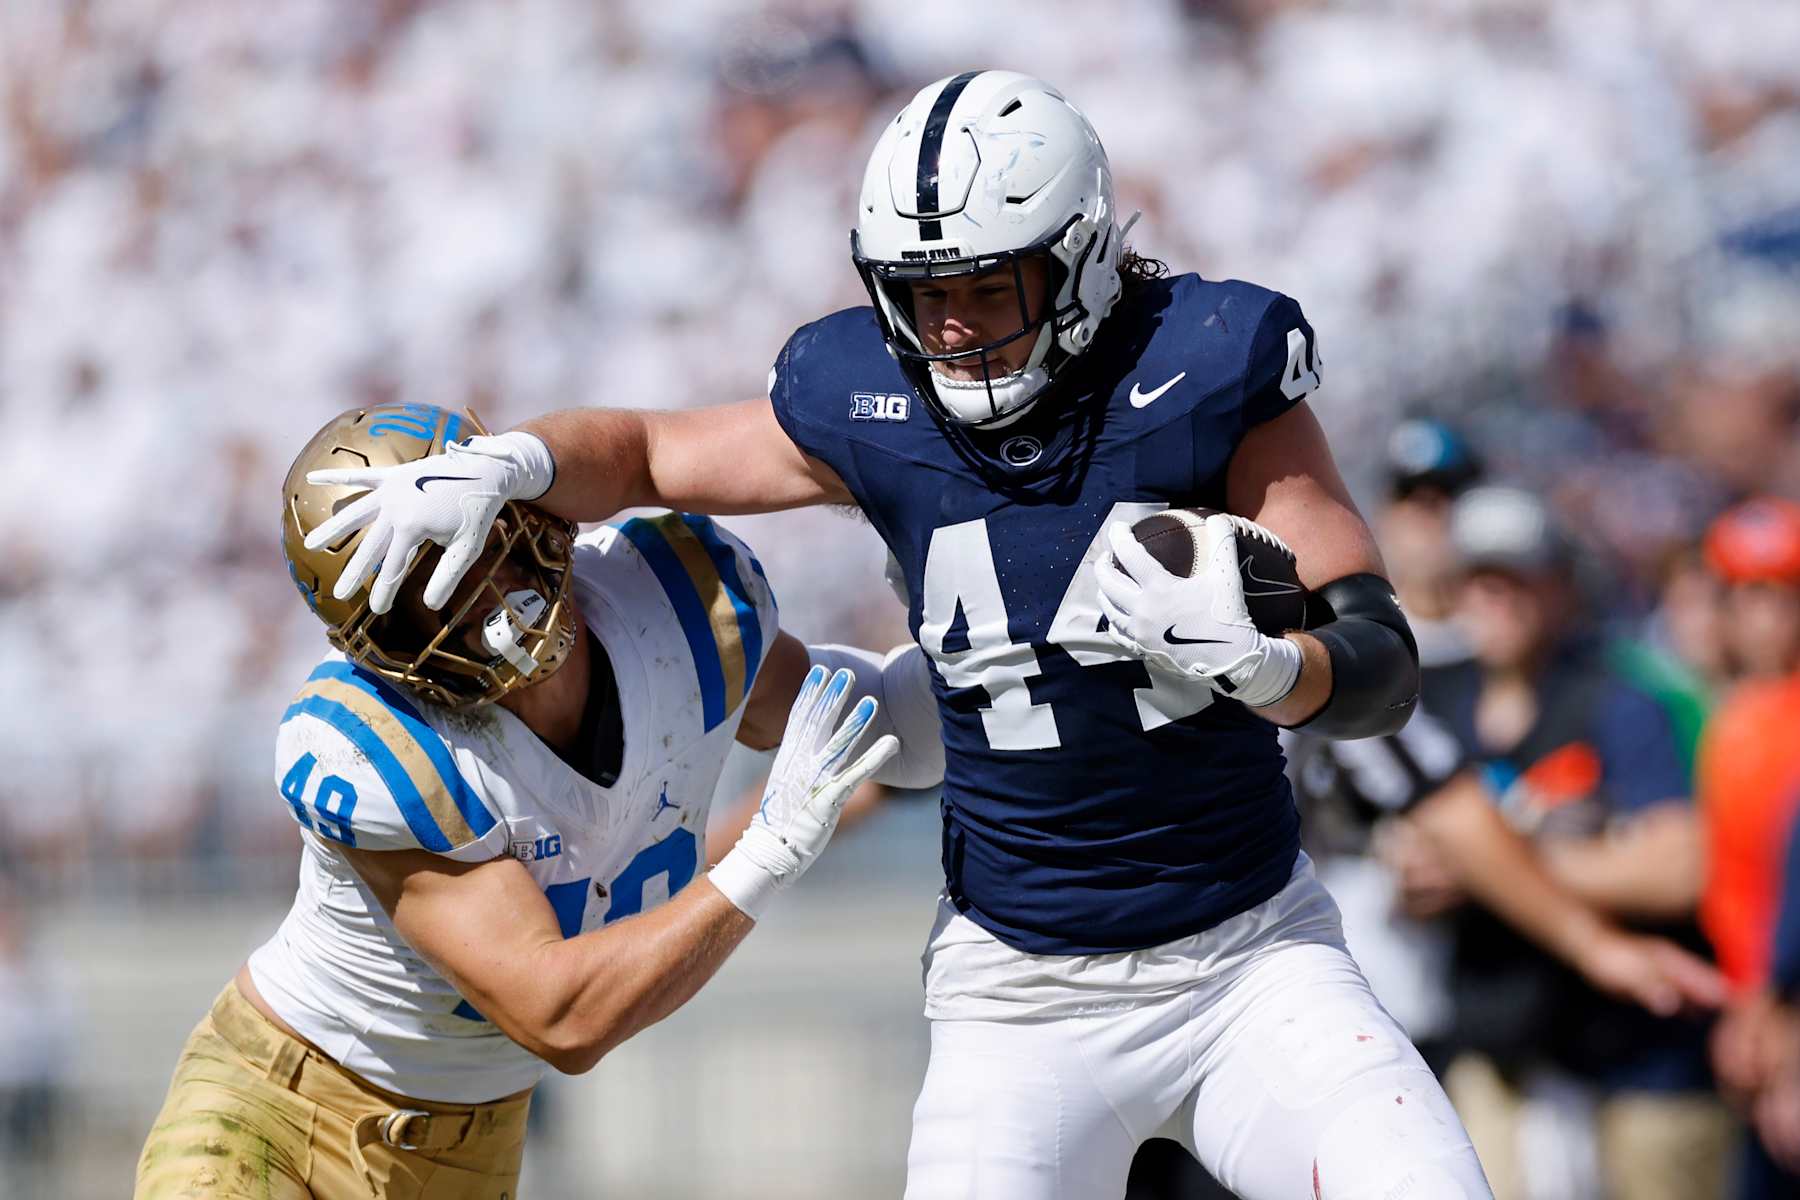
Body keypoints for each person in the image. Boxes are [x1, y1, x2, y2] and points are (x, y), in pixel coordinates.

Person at [290, 72, 1492, 1198]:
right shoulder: (865, 395)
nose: (954, 329)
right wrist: (524, 461)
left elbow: (1377, 664)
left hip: (1250, 959)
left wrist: (1276, 669)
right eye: (926, 295)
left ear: (1076, 258)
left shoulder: (1205, 365)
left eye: (985, 288)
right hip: (1017, 993)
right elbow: (652, 454)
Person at [134, 403, 940, 1199]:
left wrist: (973, 649)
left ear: (526, 511)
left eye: (468, 549)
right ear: (373, 638)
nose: (473, 600)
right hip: (280, 1110)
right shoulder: (374, 746)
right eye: (418, 594)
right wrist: (767, 852)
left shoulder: (679, 611)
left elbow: (875, 730)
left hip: (476, 1144)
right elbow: (561, 1015)